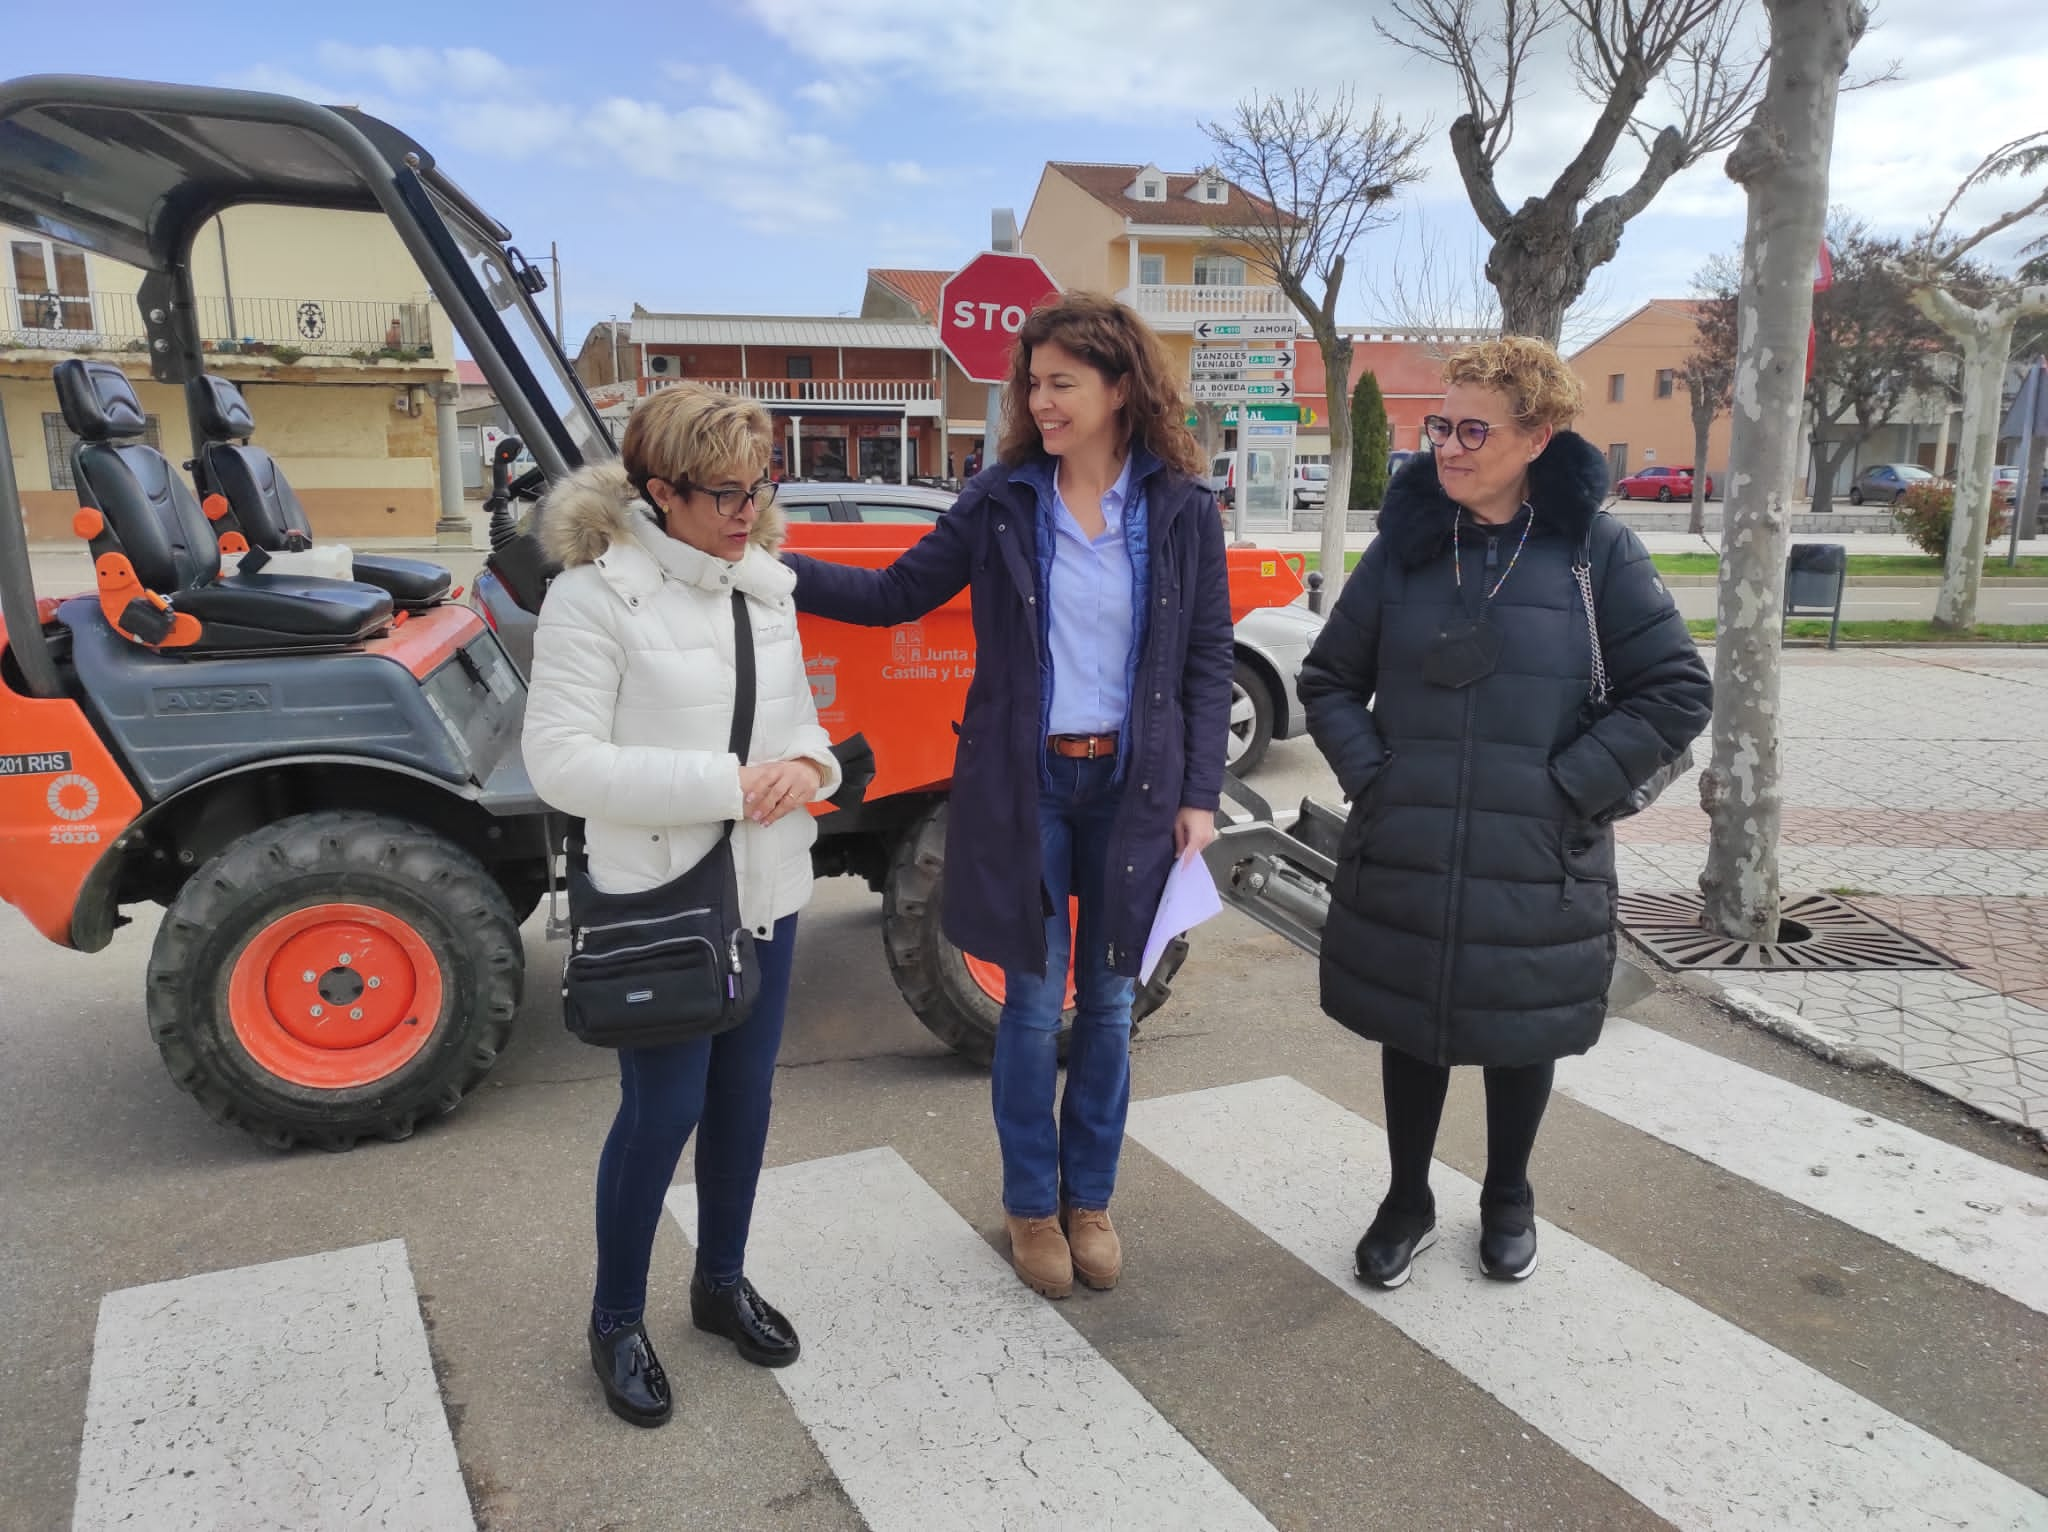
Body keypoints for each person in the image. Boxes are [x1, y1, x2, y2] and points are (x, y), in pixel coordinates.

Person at [782, 292, 1233, 1299]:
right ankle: (1031, 1204)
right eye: (1033, 383)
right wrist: (772, 568)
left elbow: (1205, 656)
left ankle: (1092, 1201)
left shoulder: (1181, 508)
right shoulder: (1001, 501)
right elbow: (894, 595)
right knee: (1033, 1003)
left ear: (1119, 387)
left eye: (1061, 381)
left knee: (1109, 1003)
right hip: (1025, 781)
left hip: (1133, 783)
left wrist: (1199, 790)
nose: (1040, 399)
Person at [1297, 336, 1711, 1288]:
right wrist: (1378, 776)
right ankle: (1407, 1198)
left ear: (1539, 435)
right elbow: (1326, 682)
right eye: (1440, 424)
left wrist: (1567, 788)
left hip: (1539, 851)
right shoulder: (1405, 550)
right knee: (1415, 1026)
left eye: (1472, 428)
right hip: (1410, 841)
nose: (1447, 445)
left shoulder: (1593, 552)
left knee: (1519, 1029)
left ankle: (1509, 1195)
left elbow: (1677, 691)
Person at [522, 384, 842, 1427]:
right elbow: (560, 761)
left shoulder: (766, 587)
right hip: (659, 892)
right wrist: (725, 785)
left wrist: (811, 768)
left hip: (767, 885)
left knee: (745, 1104)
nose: (746, 511)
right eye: (722, 493)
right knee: (662, 1111)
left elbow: (804, 729)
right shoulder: (593, 595)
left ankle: (717, 1285)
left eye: (758, 487)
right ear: (659, 491)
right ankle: (615, 1317)